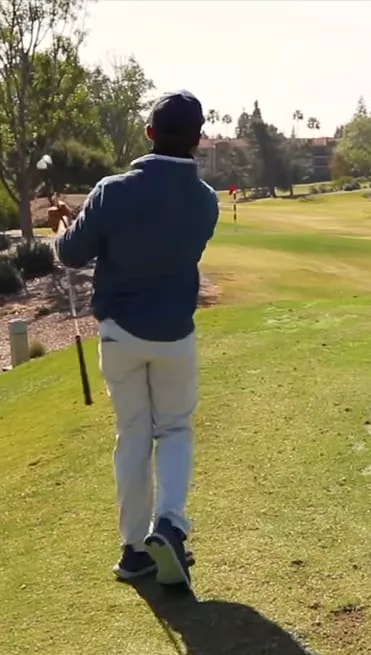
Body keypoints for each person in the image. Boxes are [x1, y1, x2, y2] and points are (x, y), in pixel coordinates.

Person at [54, 90, 219, 588]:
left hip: (121, 335)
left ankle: (133, 552)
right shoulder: (206, 201)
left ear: (149, 133)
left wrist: (62, 226)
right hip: (175, 336)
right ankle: (168, 525)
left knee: (134, 434)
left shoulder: (111, 190)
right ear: (198, 140)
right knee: (174, 430)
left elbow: (70, 254)